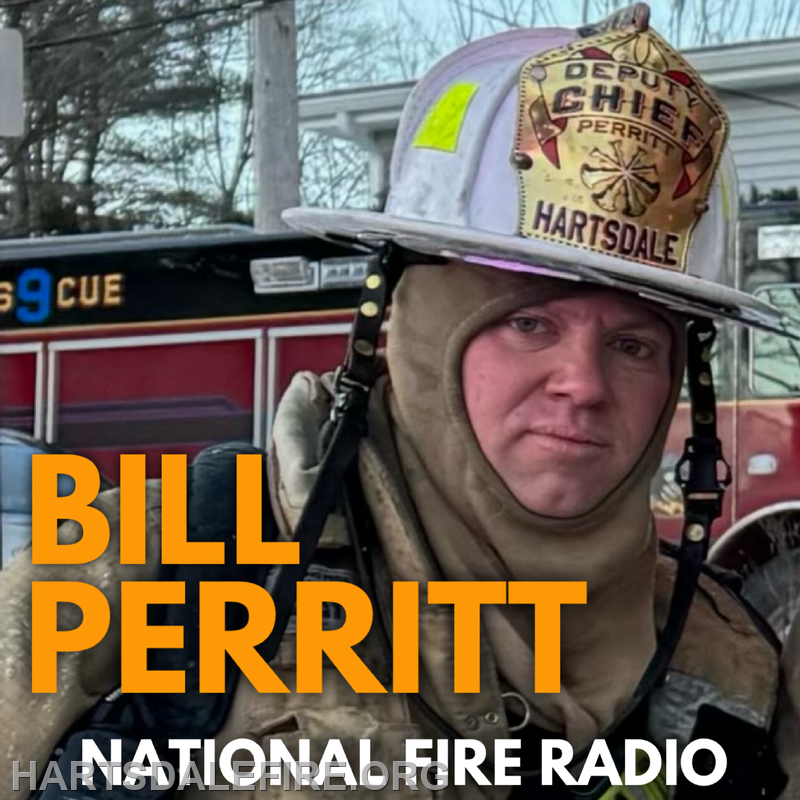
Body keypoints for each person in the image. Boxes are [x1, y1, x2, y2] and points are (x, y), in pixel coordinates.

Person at [0, 3, 797, 798]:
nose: (584, 385)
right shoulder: (147, 573)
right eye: (527, 323)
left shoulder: (731, 671)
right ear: (411, 335)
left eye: (633, 346)